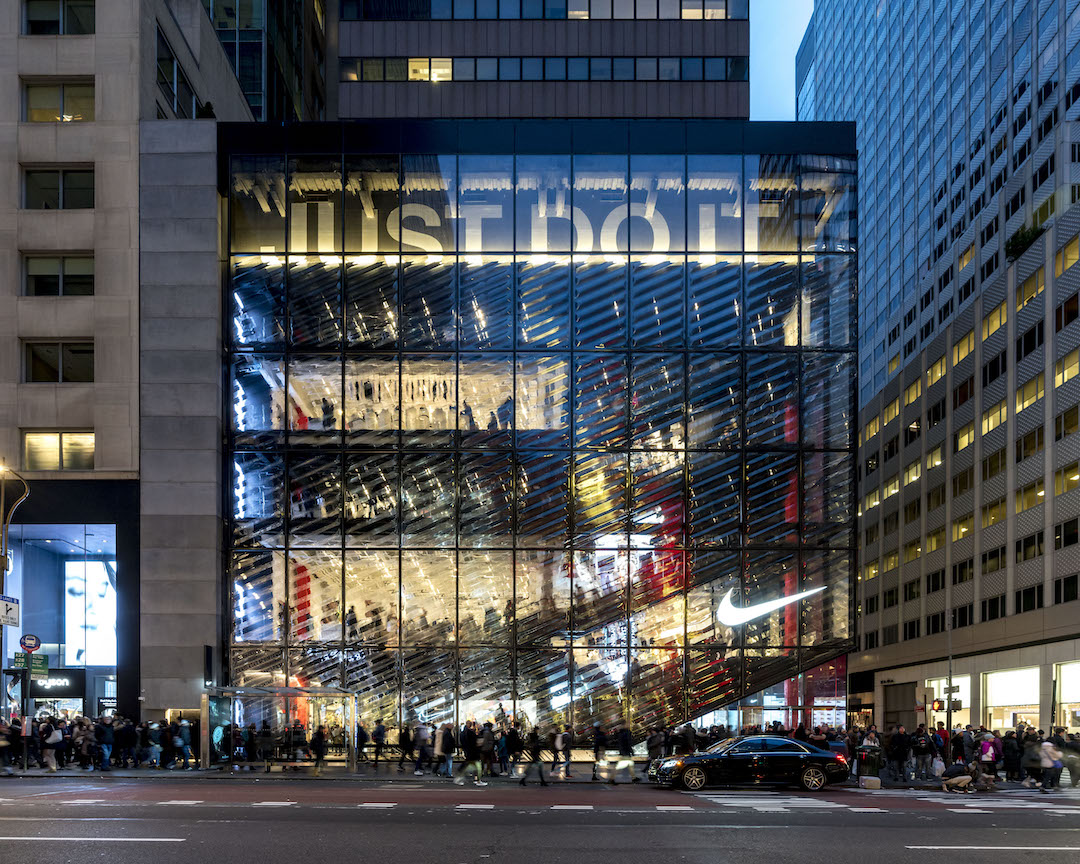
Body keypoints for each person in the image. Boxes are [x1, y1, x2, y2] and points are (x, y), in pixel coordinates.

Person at [454, 720, 486, 786]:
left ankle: (461, 778)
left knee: (468, 765)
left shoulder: (463, 733)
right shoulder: (470, 733)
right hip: (472, 752)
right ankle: (477, 780)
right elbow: (474, 743)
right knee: (476, 767)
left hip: (469, 752)